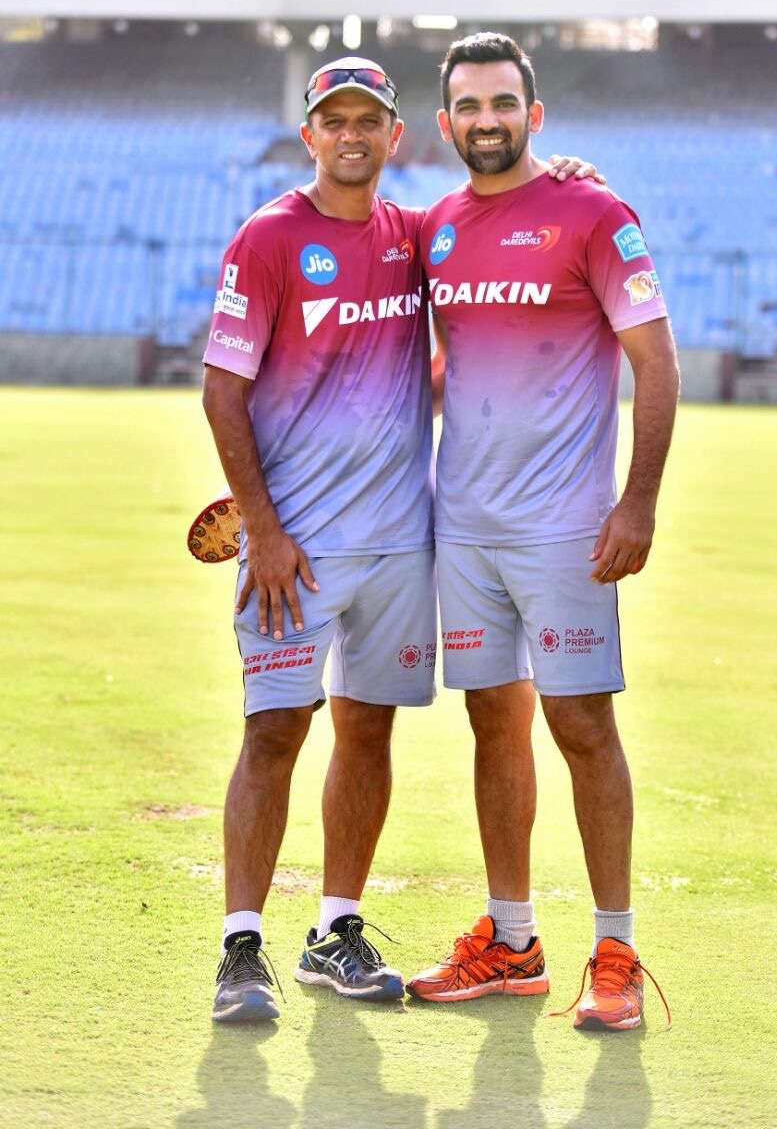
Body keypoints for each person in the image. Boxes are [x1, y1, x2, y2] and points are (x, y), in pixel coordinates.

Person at [201, 54, 599, 1023]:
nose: (348, 134)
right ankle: (239, 948)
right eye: (330, 119)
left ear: (394, 136)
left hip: (399, 541)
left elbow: (496, 239)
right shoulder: (266, 238)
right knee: (272, 728)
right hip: (293, 548)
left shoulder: (415, 237)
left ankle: (334, 929)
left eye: (365, 120)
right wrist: (262, 524)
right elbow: (223, 385)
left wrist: (569, 182)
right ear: (309, 135)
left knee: (364, 725)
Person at [406, 34, 679, 1032]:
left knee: (581, 725)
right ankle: (512, 941)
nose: (486, 119)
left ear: (535, 112)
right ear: (443, 123)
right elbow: (446, 369)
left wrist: (636, 500)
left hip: (566, 531)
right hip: (464, 528)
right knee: (492, 723)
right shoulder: (433, 228)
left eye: (502, 102)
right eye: (468, 105)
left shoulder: (594, 212)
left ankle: (613, 947)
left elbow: (655, 361)